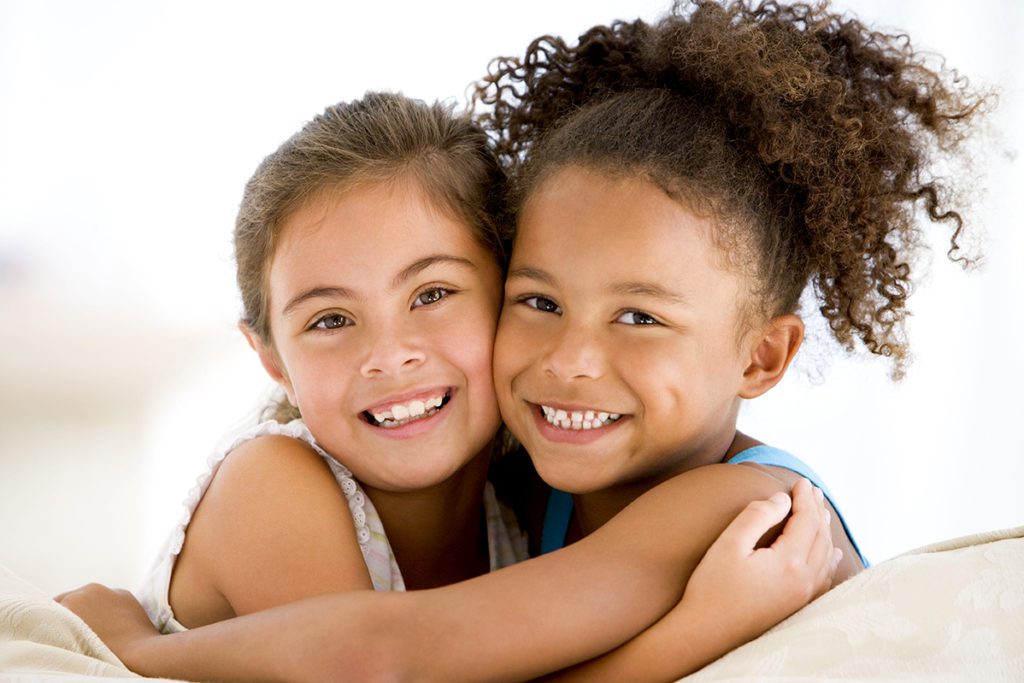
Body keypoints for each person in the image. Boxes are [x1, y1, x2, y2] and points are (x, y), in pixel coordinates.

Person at [61, 0, 984, 676]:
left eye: (639, 315)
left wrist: (141, 654)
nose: (573, 360)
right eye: (541, 302)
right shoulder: (497, 488)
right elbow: (393, 660)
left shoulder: (739, 509)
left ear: (762, 355)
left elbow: (390, 660)